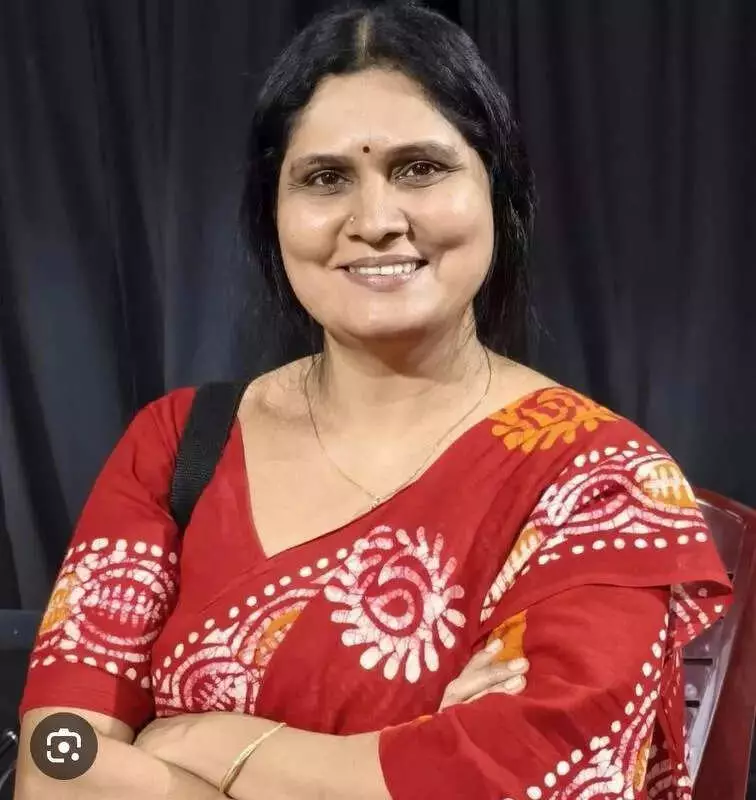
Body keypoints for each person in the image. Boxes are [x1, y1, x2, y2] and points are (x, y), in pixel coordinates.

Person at [15, 3, 731, 799]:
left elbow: (538, 778)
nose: (376, 221)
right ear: (272, 213)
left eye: (420, 168)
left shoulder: (600, 485)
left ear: (497, 189)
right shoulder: (179, 444)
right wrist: (407, 761)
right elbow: (59, 759)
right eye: (325, 179)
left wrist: (206, 742)